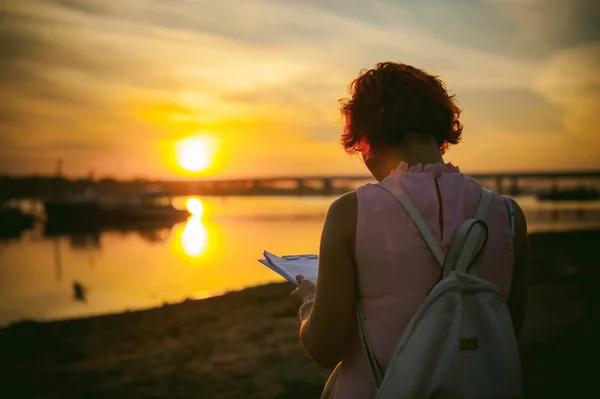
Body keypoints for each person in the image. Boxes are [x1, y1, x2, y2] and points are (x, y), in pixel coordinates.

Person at [290, 62, 529, 398]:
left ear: (365, 134)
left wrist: (309, 302)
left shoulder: (350, 212)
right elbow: (505, 334)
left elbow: (325, 347)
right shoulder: (509, 215)